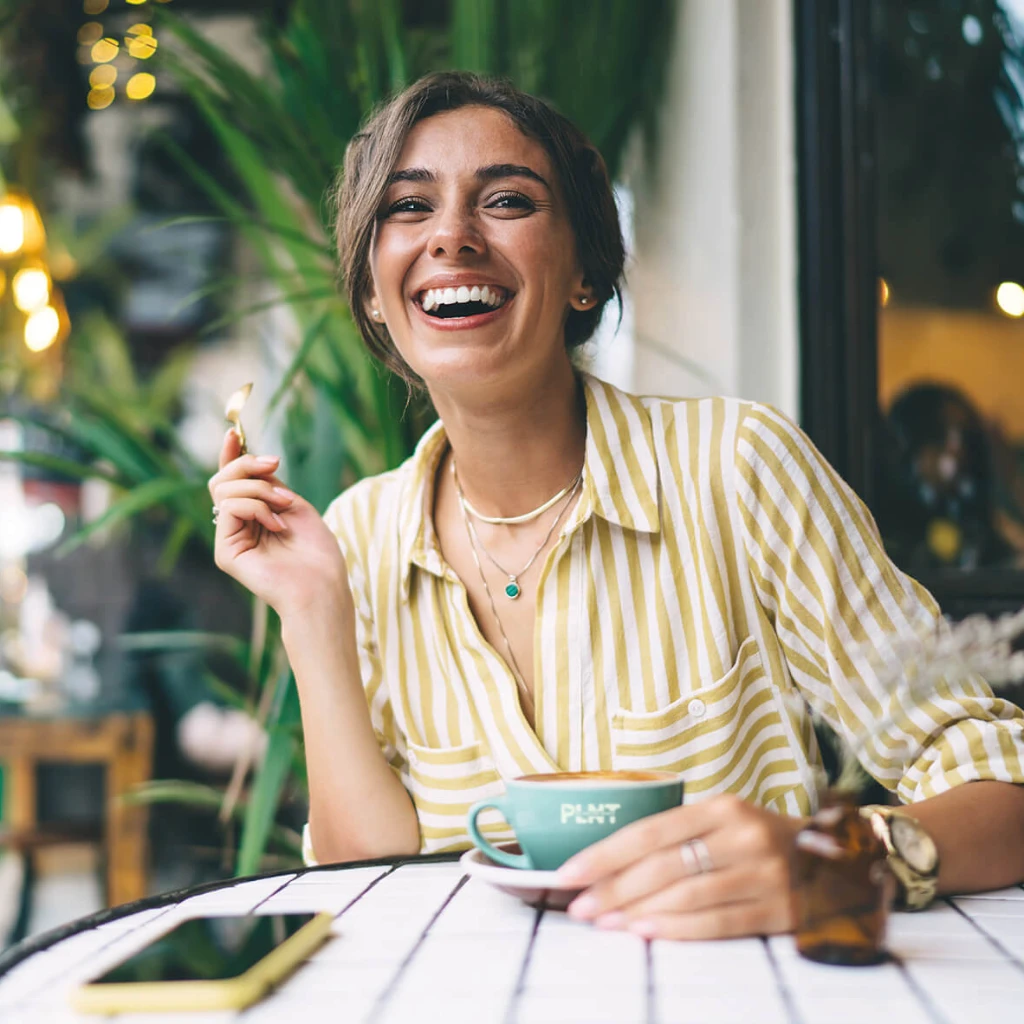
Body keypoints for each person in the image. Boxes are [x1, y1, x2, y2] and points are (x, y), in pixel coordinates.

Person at [209, 72, 1024, 941]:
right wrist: (311, 613)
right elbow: (369, 880)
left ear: (585, 275)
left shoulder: (736, 470)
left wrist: (844, 855)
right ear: (375, 290)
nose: (451, 236)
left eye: (508, 200)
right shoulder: (359, 537)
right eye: (409, 208)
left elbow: (1002, 783)